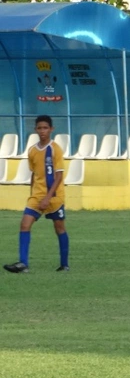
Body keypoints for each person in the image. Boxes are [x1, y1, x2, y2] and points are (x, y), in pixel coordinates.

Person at [3, 115, 69, 274]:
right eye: (39, 128)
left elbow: (59, 175)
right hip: (36, 196)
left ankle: (64, 265)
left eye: (45, 128)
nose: (42, 131)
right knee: (25, 224)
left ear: (51, 129)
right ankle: (23, 264)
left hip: (54, 197)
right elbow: (34, 173)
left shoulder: (55, 149)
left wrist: (48, 197)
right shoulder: (32, 150)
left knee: (59, 227)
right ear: (35, 130)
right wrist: (33, 193)